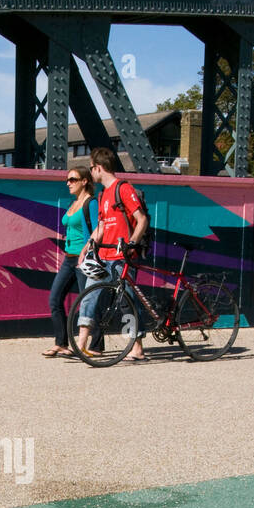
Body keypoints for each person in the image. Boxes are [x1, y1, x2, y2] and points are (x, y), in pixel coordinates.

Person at [75, 147, 150, 362]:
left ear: (99, 167)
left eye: (92, 168)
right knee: (89, 296)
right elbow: (101, 227)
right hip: (103, 256)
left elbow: (141, 219)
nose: (91, 173)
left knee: (127, 301)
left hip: (121, 258)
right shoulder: (103, 194)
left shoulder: (123, 189)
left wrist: (131, 244)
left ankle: (137, 348)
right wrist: (86, 248)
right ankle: (80, 344)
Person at [42, 167, 98, 357]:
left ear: (84, 181)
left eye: (73, 179)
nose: (68, 183)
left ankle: (96, 345)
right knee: (55, 299)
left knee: (87, 301)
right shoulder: (73, 203)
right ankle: (61, 343)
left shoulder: (91, 203)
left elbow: (97, 231)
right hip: (69, 258)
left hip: (84, 259)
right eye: (68, 180)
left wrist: (87, 252)